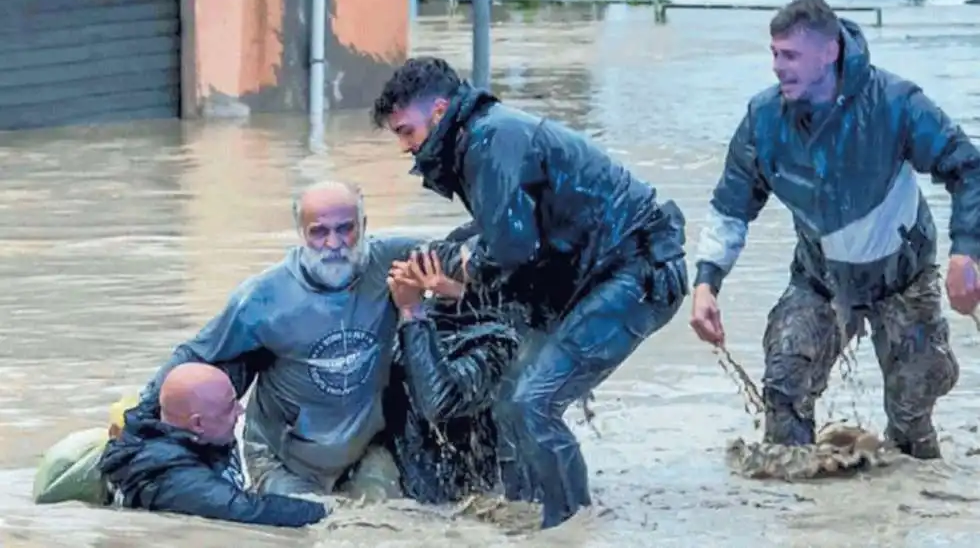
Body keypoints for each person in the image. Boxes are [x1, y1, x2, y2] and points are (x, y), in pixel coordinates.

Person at [371, 58, 690, 528]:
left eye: (406, 131)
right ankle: (528, 514)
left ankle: (569, 527)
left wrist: (454, 277)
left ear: (439, 112)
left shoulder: (491, 139)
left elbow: (511, 248)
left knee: (532, 402)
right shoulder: (475, 139)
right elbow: (505, 241)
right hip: (594, 275)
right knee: (510, 402)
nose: (406, 149)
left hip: (636, 269)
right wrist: (457, 271)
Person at [689, 0, 978, 459]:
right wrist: (707, 283)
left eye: (790, 55)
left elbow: (968, 168)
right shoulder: (763, 120)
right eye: (774, 53)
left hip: (905, 278)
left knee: (912, 410)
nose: (778, 67)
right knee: (784, 385)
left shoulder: (896, 103)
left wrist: (967, 252)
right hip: (820, 280)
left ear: (830, 53)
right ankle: (802, 513)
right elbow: (731, 205)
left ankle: (915, 510)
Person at [125, 180, 424, 499]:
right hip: (282, 460)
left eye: (345, 229)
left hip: (364, 450)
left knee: (387, 522)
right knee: (308, 530)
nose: (333, 243)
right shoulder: (262, 298)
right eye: (319, 232)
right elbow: (196, 354)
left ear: (364, 226)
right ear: (301, 233)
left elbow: (463, 253)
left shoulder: (393, 262)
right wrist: (137, 414)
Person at [100, 363, 327, 527]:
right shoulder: (172, 476)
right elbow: (244, 509)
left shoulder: (175, 424)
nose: (240, 410)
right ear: (197, 423)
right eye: (230, 406)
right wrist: (329, 512)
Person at [383, 241, 522, 503]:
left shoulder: (503, 340)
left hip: (470, 504)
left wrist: (412, 311)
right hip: (409, 493)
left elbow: (439, 401)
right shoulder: (419, 319)